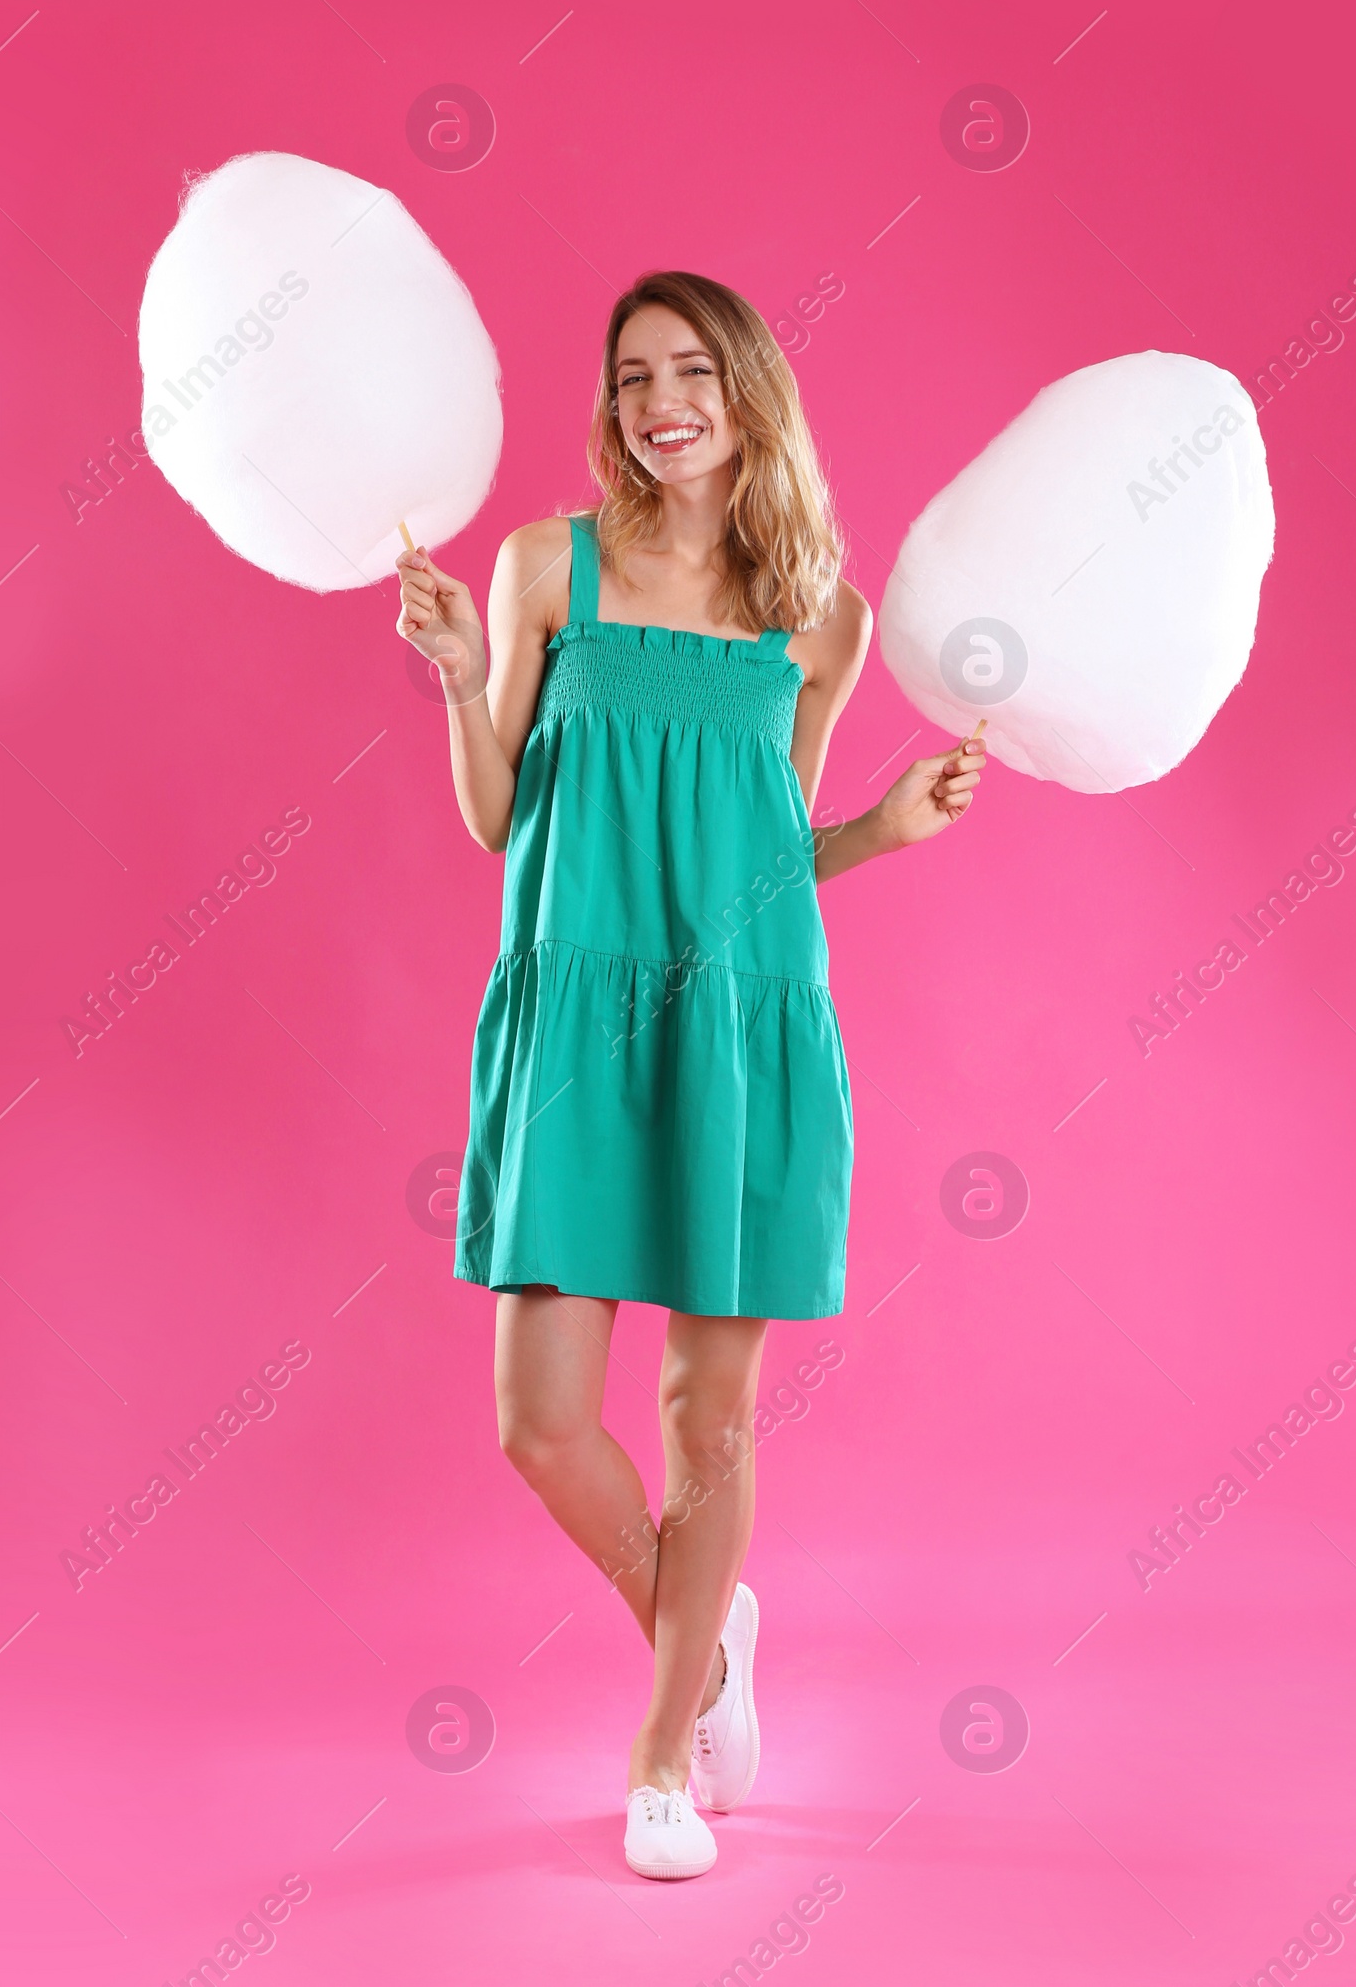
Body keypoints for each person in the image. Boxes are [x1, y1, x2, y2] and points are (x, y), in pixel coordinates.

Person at [396, 271, 984, 1880]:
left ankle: (662, 1761)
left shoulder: (820, 615)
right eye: (636, 374)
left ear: (748, 392)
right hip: (575, 1028)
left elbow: (779, 857)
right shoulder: (543, 569)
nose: (663, 401)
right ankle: (706, 1629)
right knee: (541, 1418)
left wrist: (889, 827)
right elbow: (496, 820)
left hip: (738, 1025)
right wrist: (460, 675)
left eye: (694, 371)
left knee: (703, 1417)